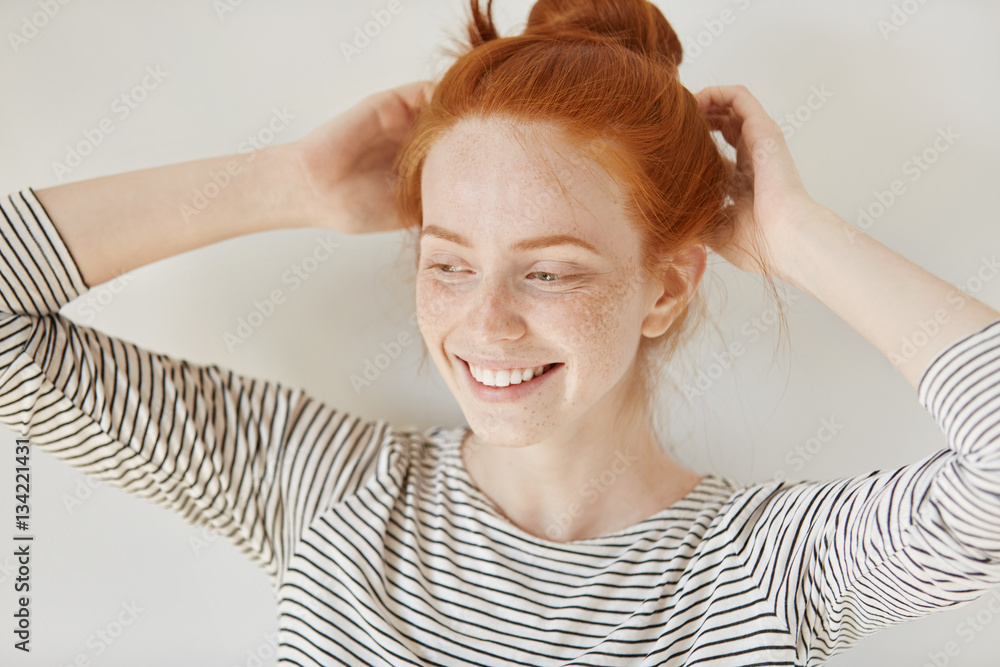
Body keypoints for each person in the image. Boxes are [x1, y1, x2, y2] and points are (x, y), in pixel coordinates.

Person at [2, 0, 999, 664]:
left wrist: (793, 234)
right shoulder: (323, 490)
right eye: (447, 264)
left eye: (549, 269)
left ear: (664, 291)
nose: (483, 322)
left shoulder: (770, 565)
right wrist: (288, 183)